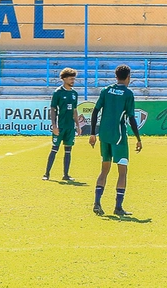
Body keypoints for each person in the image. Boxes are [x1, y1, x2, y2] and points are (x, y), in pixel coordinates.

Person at [88, 64, 142, 217]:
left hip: (104, 135)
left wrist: (93, 133)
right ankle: (118, 207)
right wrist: (138, 138)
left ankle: (97, 202)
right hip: (119, 137)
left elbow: (95, 111)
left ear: (116, 76)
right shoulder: (128, 94)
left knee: (104, 169)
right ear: (128, 77)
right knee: (122, 172)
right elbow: (131, 118)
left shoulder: (106, 91)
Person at [44, 67, 80, 181]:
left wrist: (78, 126)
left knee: (68, 150)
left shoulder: (74, 94)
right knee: (54, 149)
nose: (73, 81)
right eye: (70, 79)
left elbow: (74, 110)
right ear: (64, 79)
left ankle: (66, 175)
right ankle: (46, 174)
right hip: (60, 126)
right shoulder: (58, 93)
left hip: (70, 127)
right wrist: (54, 126)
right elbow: (53, 109)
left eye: (73, 79)